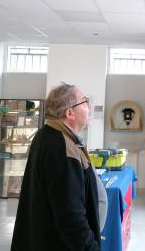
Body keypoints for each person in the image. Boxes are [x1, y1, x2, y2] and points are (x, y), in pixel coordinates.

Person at [11, 83, 105, 251]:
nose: (89, 106)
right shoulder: (62, 148)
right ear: (70, 113)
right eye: (84, 102)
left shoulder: (47, 134)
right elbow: (71, 218)